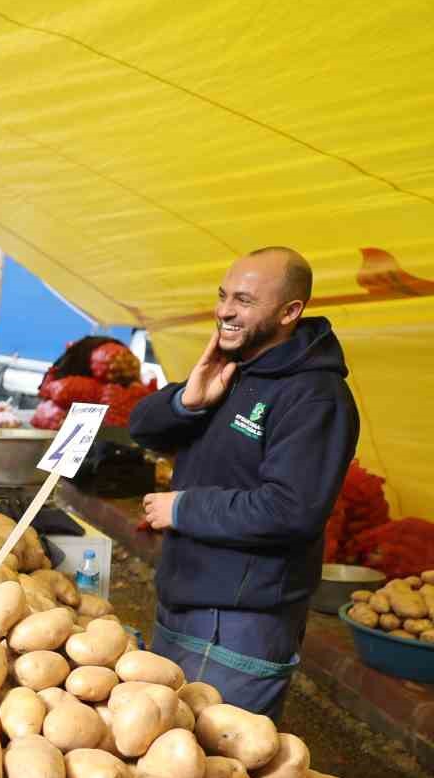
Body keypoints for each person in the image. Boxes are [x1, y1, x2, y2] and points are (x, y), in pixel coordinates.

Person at [130, 246, 359, 719]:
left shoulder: (316, 397)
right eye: (223, 295)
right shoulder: (232, 370)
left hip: (238, 622)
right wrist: (186, 403)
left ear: (289, 312)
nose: (225, 311)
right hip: (183, 598)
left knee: (219, 769)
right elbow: (142, 429)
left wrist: (184, 508)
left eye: (244, 300)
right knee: (163, 754)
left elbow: (290, 509)